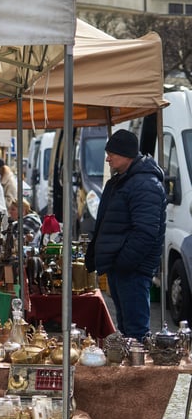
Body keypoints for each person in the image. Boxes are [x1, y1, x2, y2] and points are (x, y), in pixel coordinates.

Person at [86, 130, 166, 339]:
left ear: (126, 153)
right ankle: (129, 370)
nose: (107, 158)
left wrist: (123, 262)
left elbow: (146, 232)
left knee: (136, 331)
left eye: (111, 153)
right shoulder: (123, 180)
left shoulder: (145, 183)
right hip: (123, 267)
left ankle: (138, 372)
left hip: (133, 269)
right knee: (126, 329)